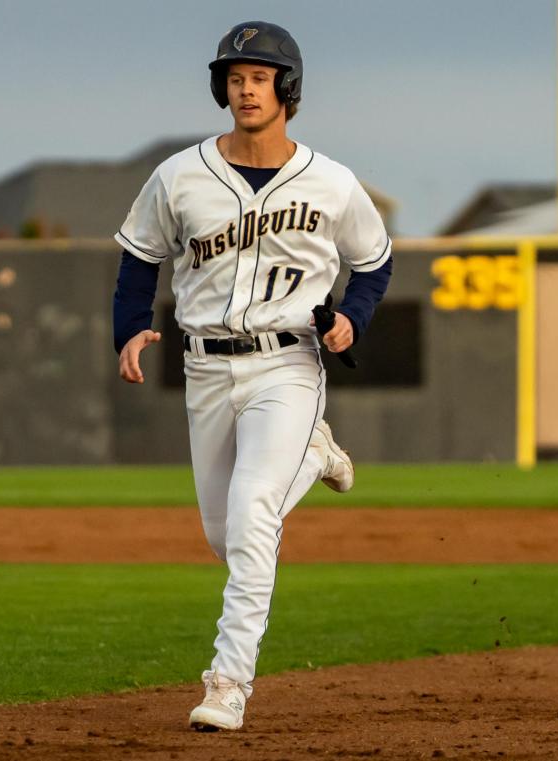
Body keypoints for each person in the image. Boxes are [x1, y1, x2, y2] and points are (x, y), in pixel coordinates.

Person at [112, 21, 392, 731]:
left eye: (259, 78)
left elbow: (374, 260)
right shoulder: (179, 174)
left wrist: (352, 317)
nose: (245, 89)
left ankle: (228, 682)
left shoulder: (330, 181)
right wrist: (128, 329)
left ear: (286, 89)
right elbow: (140, 257)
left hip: (288, 363)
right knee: (225, 533)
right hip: (205, 366)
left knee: (252, 514)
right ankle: (319, 453)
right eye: (235, 78)